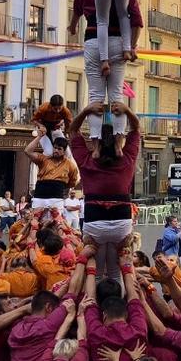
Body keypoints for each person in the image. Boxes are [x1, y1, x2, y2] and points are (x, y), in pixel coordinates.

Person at [69, 101, 141, 281]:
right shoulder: (128, 160)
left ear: (96, 145)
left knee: (97, 272)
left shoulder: (87, 161)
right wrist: (127, 111)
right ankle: (118, 305)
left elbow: (72, 131)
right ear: (118, 144)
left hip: (95, 223)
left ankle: (94, 305)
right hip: (121, 224)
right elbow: (136, 129)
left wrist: (86, 111)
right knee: (117, 272)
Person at [25, 132, 80, 216]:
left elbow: (73, 182)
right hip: (40, 196)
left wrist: (61, 186)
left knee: (56, 224)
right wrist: (39, 136)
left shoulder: (70, 165)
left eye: (59, 149)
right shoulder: (44, 159)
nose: (56, 150)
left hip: (56, 198)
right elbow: (27, 151)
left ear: (64, 151)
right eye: (55, 148)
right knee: (35, 223)